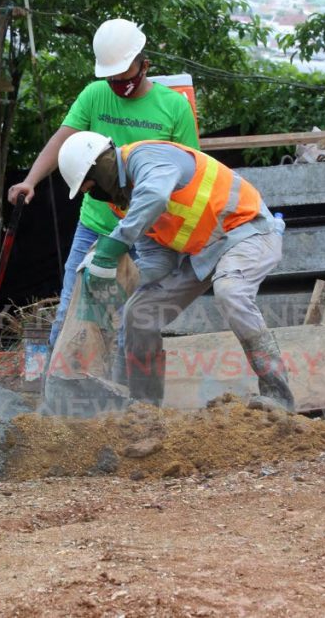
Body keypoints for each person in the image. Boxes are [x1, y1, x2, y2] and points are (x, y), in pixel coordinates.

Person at [57, 131, 295, 412]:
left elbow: (155, 195)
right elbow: (158, 262)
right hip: (204, 254)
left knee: (231, 291)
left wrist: (113, 247)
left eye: (90, 184)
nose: (92, 191)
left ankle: (278, 395)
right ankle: (145, 406)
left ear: (100, 164)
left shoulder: (145, 157)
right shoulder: (124, 205)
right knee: (140, 312)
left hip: (247, 231)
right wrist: (121, 283)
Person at [7, 18, 199, 364]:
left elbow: (190, 172)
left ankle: (125, 404)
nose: (117, 86)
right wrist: (30, 180)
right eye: (111, 79)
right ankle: (56, 393)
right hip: (95, 225)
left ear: (144, 66)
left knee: (133, 320)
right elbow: (62, 138)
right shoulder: (95, 96)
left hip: (148, 233)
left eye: (124, 78)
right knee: (71, 313)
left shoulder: (174, 108)